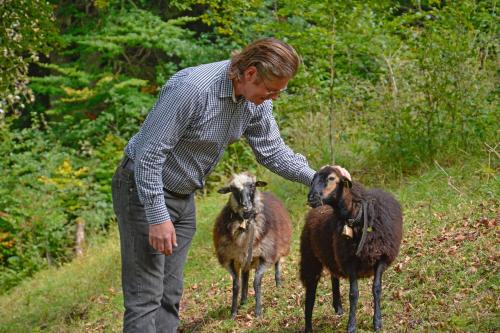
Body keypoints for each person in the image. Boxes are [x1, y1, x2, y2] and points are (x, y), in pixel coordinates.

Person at [111, 37, 350, 333]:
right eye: (272, 89)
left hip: (183, 194)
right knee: (145, 296)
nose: (274, 97)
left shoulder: (255, 101)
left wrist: (321, 179)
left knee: (169, 295)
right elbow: (149, 155)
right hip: (143, 191)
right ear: (250, 73)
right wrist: (158, 217)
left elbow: (273, 151)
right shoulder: (193, 89)